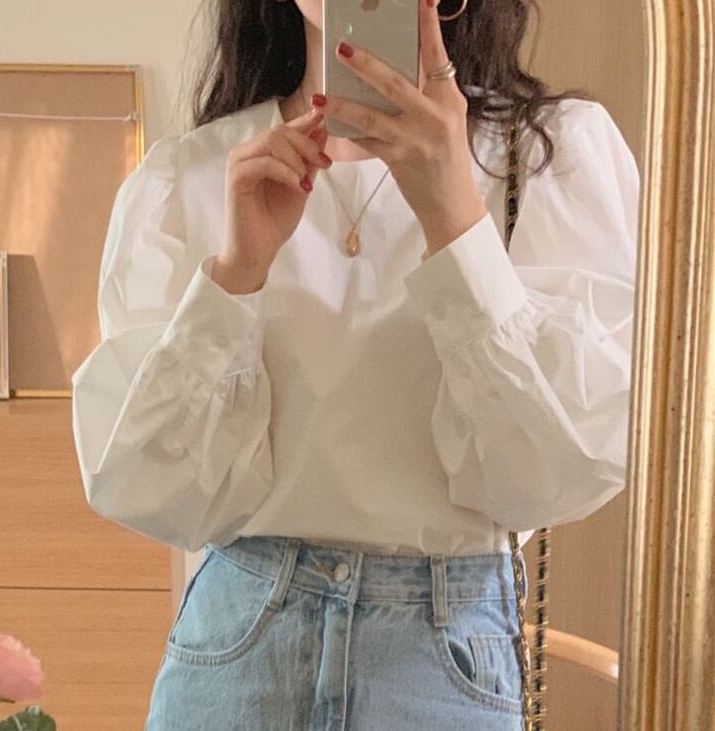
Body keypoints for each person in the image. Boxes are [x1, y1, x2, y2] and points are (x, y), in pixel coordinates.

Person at [70, 0, 639, 728]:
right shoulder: (190, 175)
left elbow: (563, 468)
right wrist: (236, 275)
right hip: (238, 647)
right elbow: (147, 488)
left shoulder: (552, 156)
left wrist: (455, 218)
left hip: (443, 661)